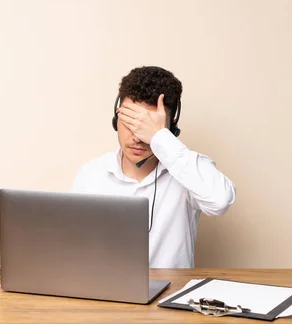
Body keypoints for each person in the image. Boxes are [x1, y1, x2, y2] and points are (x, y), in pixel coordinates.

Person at [71, 66, 236, 268]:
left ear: (171, 128)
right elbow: (74, 247)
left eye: (147, 128)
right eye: (131, 123)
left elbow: (220, 201)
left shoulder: (188, 170)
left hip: (170, 296)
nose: (137, 138)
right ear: (116, 117)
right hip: (105, 295)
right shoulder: (91, 173)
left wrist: (159, 138)